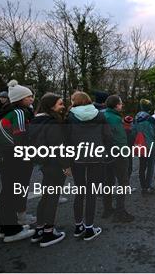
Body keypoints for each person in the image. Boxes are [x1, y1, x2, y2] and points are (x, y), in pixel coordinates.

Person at [0, 80, 36, 242]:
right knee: (13, 191)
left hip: (2, 154)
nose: (31, 98)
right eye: (28, 96)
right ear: (20, 98)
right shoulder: (19, 112)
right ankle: (12, 231)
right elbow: (21, 137)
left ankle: (6, 227)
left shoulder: (2, 111)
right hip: (15, 156)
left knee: (6, 192)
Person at [67, 91, 112, 241]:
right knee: (91, 192)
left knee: (79, 191)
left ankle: (78, 225)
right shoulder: (99, 115)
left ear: (75, 101)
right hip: (96, 156)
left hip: (77, 157)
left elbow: (66, 138)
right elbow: (107, 136)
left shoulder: (70, 116)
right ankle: (89, 228)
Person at [29, 93, 70, 247]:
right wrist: (66, 166)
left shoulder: (36, 120)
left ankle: (39, 230)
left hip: (44, 163)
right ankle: (48, 233)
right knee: (52, 198)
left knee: (46, 197)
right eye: (60, 104)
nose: (63, 106)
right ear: (51, 106)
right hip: (55, 165)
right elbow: (58, 147)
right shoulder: (52, 123)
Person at [102, 95, 134, 222]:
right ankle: (120, 212)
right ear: (116, 105)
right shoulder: (115, 118)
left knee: (108, 181)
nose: (122, 105)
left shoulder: (103, 115)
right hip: (119, 154)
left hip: (106, 153)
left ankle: (107, 208)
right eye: (120, 103)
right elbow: (120, 139)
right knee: (122, 182)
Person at [134, 99, 155, 195]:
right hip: (150, 144)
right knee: (151, 166)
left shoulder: (136, 117)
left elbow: (134, 130)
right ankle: (148, 185)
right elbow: (153, 133)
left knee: (142, 166)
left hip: (140, 144)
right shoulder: (150, 119)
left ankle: (143, 185)